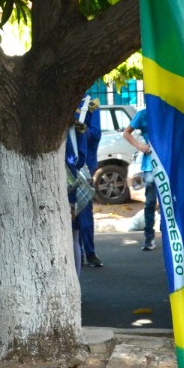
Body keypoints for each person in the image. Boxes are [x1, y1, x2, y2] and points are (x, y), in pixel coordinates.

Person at [123, 109, 157, 251]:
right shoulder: (144, 114)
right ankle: (149, 237)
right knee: (150, 202)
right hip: (151, 166)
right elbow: (126, 133)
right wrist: (140, 146)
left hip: (168, 165)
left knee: (170, 202)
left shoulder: (167, 110)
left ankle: (167, 235)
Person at [75, 99, 103, 266]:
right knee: (72, 210)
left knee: (84, 209)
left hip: (85, 163)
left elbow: (96, 133)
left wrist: (79, 129)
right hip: (67, 162)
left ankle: (90, 253)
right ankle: (77, 251)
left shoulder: (91, 103)